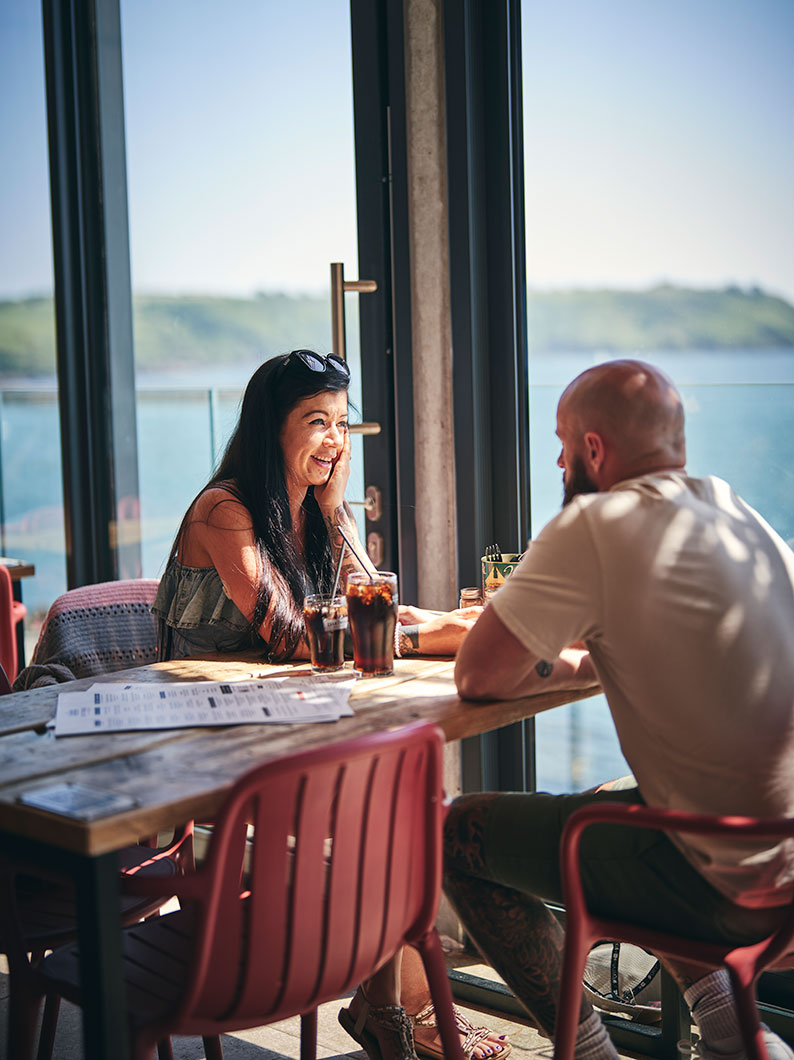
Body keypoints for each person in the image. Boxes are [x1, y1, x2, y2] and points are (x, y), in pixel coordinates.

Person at [152, 349, 509, 1060]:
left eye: (341, 423)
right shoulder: (224, 508)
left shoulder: (312, 511)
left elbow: (369, 608)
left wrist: (460, 630)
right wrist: (436, 630)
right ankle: (399, 1013)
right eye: (316, 422)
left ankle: (393, 1009)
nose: (334, 441)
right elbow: (292, 636)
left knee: (403, 796)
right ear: (268, 430)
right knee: (393, 804)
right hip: (207, 738)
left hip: (283, 715)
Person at [448, 359, 794, 1060]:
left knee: (454, 835)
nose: (557, 459)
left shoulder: (597, 522)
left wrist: (545, 656)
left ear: (593, 451)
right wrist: (583, 657)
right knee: (623, 805)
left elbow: (478, 675)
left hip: (721, 887)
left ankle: (593, 1055)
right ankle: (733, 1038)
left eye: (561, 443)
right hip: (787, 869)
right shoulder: (737, 514)